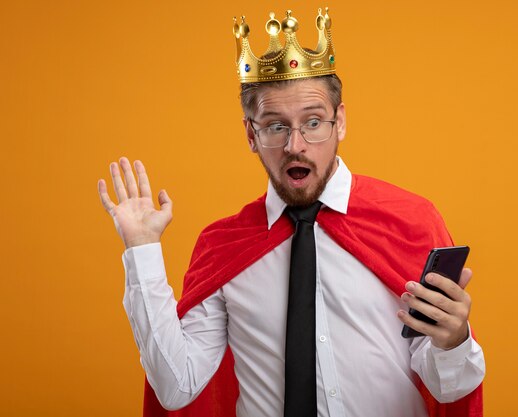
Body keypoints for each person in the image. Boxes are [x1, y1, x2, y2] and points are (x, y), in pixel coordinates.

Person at [98, 8, 485, 417]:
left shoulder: (409, 221)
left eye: (314, 122)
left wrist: (454, 339)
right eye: (275, 126)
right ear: (251, 134)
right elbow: (178, 388)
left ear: (341, 123)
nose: (295, 145)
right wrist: (141, 251)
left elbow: (448, 389)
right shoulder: (223, 246)